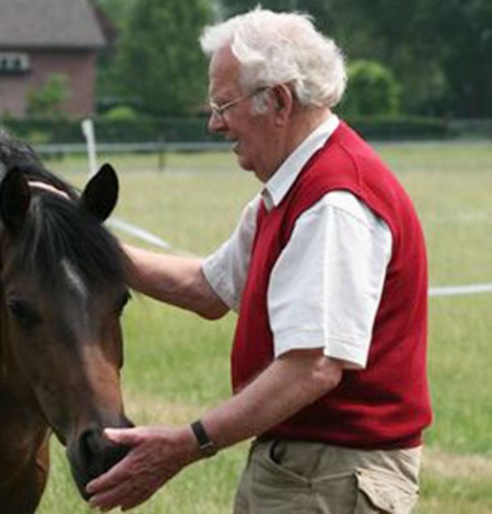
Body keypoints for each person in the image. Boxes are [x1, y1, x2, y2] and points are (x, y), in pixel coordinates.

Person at [87, 7, 431, 513]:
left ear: (279, 101)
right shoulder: (292, 187)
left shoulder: (332, 202)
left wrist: (187, 443)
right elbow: (207, 289)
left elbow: (310, 368)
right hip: (306, 471)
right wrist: (82, 243)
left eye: (224, 105)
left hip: (332, 479)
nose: (214, 123)